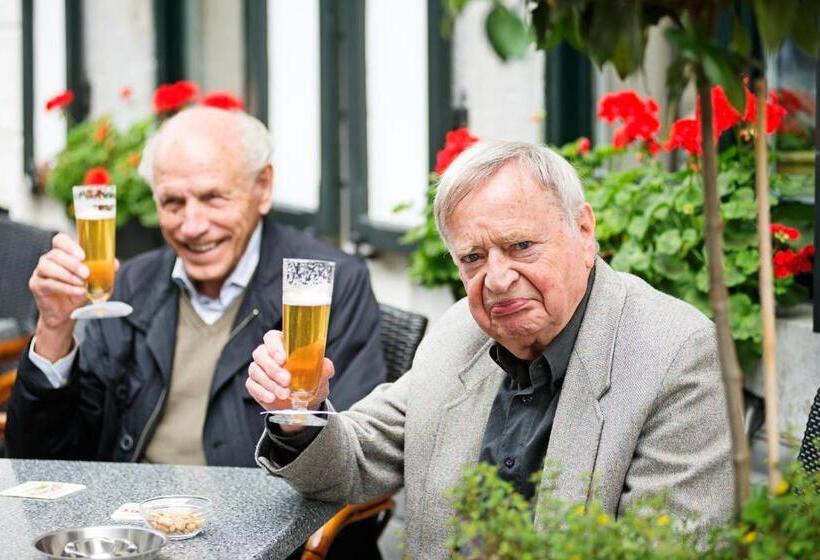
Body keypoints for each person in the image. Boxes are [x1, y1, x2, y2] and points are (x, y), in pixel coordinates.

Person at [248, 141, 734, 558]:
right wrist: (300, 413)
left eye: (522, 245)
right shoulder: (462, 329)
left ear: (584, 233)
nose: (497, 280)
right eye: (474, 258)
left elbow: (667, 548)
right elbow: (356, 460)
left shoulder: (675, 353)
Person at [7, 106, 386, 467]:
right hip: (133, 524)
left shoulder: (326, 286)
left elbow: (353, 461)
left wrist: (297, 419)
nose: (192, 225)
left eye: (213, 198)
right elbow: (43, 460)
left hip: (256, 524)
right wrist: (54, 330)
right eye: (172, 203)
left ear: (263, 187)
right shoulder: (130, 286)